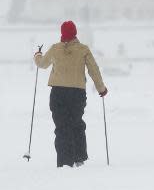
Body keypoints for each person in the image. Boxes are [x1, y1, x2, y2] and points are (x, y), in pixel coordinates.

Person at [34, 20, 108, 168]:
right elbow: (94, 70)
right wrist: (101, 89)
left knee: (61, 128)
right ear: (75, 33)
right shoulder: (83, 49)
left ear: (62, 33)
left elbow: (42, 64)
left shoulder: (55, 49)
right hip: (77, 94)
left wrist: (37, 55)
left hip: (58, 93)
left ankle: (64, 162)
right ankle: (79, 158)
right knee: (76, 124)